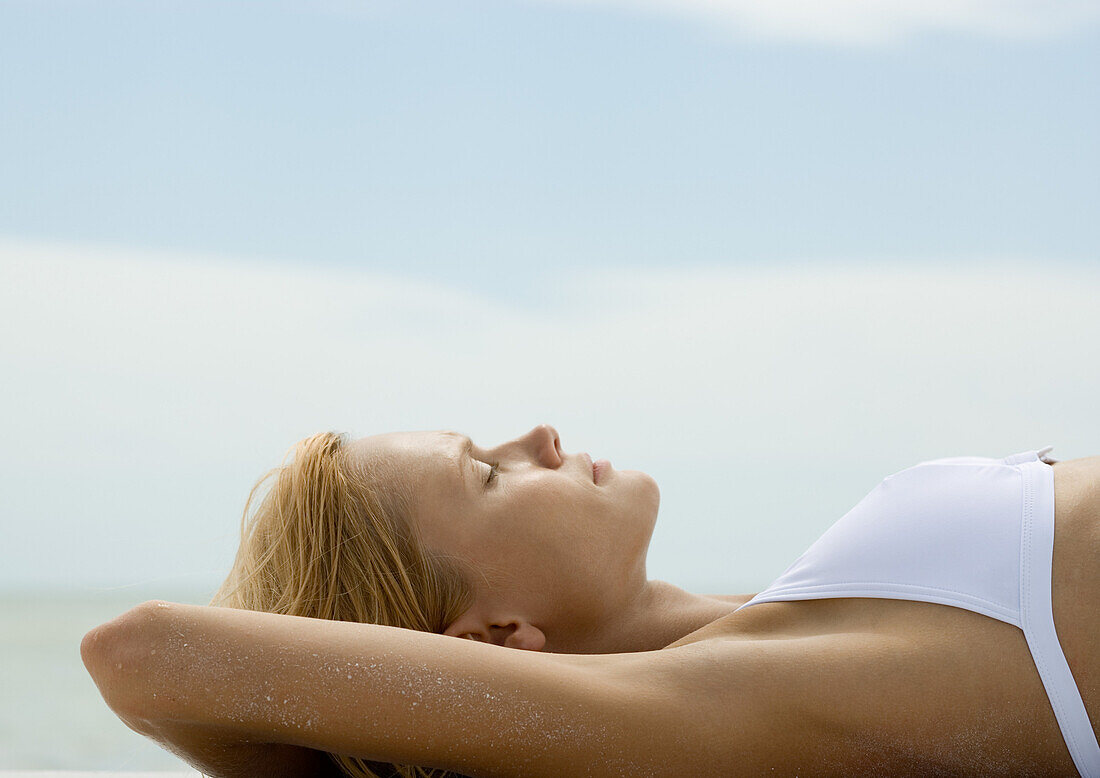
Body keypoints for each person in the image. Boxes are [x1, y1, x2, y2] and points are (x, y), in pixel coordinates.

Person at [81, 424, 1100, 777]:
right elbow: (143, 654)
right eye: (486, 472)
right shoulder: (698, 706)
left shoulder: (780, 621)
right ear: (487, 638)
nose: (540, 435)